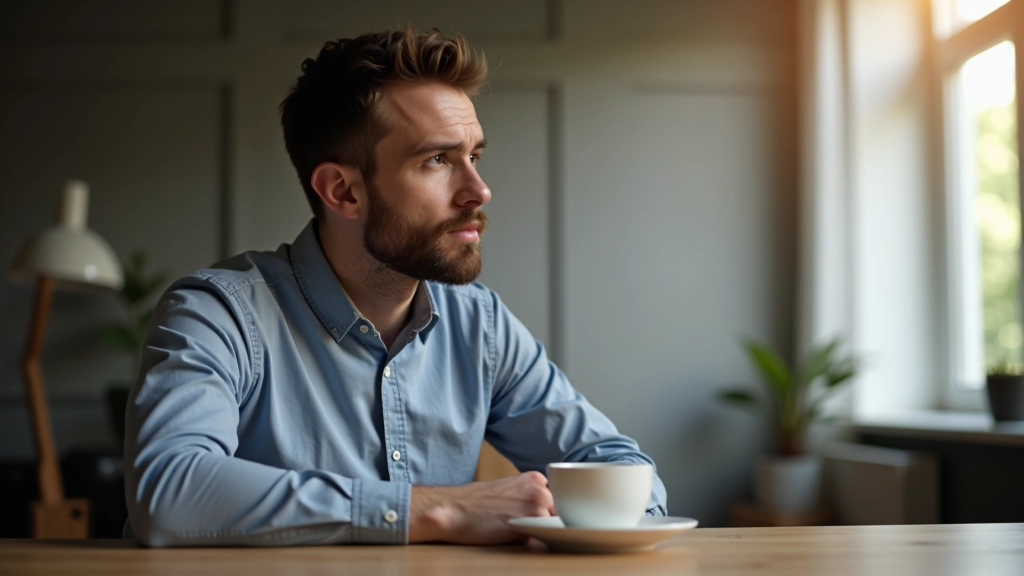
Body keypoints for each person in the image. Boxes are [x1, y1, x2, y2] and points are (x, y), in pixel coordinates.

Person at [124, 26, 667, 547]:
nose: (479, 190)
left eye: (473, 157)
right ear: (343, 191)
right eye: (437, 160)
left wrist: (597, 527)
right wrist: (441, 509)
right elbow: (170, 492)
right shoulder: (217, 313)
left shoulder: (480, 326)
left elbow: (624, 470)